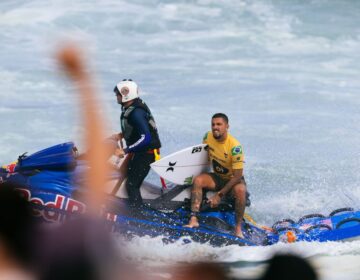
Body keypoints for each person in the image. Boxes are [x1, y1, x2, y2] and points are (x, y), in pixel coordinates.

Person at [185, 113, 247, 238]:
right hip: (218, 177)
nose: (215, 127)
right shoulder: (207, 137)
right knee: (198, 180)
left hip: (232, 180)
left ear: (227, 126)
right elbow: (204, 159)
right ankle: (193, 219)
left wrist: (219, 195)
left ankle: (238, 228)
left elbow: (237, 176)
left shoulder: (235, 147)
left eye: (219, 124)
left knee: (240, 190)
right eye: (213, 124)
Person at [112, 79, 161, 206]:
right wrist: (121, 135)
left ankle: (138, 216)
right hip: (139, 151)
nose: (116, 96)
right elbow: (136, 129)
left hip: (147, 154)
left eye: (118, 94)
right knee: (122, 173)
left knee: (132, 185)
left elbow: (146, 138)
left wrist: (125, 150)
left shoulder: (136, 113)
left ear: (125, 94)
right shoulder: (130, 107)